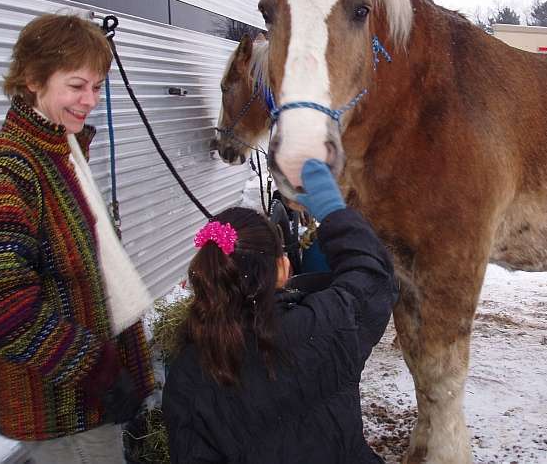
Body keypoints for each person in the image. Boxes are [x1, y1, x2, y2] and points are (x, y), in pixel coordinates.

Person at [0, 13, 155, 463]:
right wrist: (99, 370)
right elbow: (5, 308)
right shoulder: (11, 168)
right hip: (62, 412)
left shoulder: (61, 151)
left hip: (87, 403)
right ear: (32, 79)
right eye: (76, 85)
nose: (90, 100)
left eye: (97, 86)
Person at [162, 159, 398, 463]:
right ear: (282, 268)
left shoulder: (187, 377)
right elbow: (374, 277)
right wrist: (332, 210)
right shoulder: (326, 326)